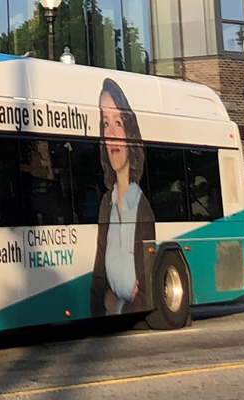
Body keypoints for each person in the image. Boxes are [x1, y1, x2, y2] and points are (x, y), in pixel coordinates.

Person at [90, 79, 157, 316]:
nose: (111, 134)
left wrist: (116, 305)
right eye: (105, 123)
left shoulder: (142, 209)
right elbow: (98, 283)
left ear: (130, 130)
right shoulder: (106, 205)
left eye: (118, 122)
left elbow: (147, 294)